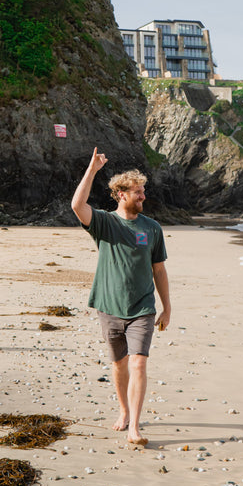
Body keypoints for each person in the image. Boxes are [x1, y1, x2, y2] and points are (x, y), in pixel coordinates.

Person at [71, 147, 170, 447]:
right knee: (119, 364)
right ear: (121, 195)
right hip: (109, 306)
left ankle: (134, 427)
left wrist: (167, 307)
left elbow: (159, 270)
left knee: (139, 363)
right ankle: (124, 411)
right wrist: (92, 170)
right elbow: (78, 205)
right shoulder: (104, 223)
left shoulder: (151, 228)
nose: (143, 197)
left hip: (143, 307)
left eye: (143, 191)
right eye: (137, 192)